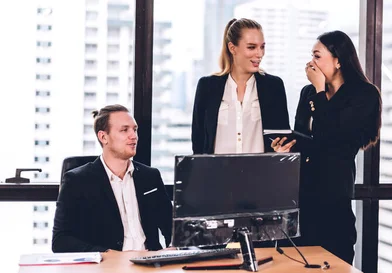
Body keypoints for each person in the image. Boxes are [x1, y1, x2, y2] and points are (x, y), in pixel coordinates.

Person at [272, 30, 382, 264]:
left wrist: (321, 91)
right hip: (302, 197)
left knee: (334, 261)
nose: (311, 62)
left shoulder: (364, 94)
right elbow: (303, 138)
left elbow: (338, 138)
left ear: (339, 60)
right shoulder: (308, 92)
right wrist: (286, 148)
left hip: (334, 198)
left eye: (317, 56)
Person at [52, 104, 173, 253]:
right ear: (103, 137)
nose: (133, 136)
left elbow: (172, 228)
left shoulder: (150, 177)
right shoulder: (77, 181)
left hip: (151, 264)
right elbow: (61, 241)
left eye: (134, 130)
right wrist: (109, 255)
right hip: (107, 266)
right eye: (124, 130)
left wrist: (172, 249)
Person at [192, 18, 292, 155]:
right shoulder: (207, 87)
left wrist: (281, 149)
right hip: (216, 175)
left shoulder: (274, 87)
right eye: (252, 47)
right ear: (232, 48)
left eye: (262, 47)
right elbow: (198, 145)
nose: (260, 54)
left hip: (262, 174)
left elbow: (283, 139)